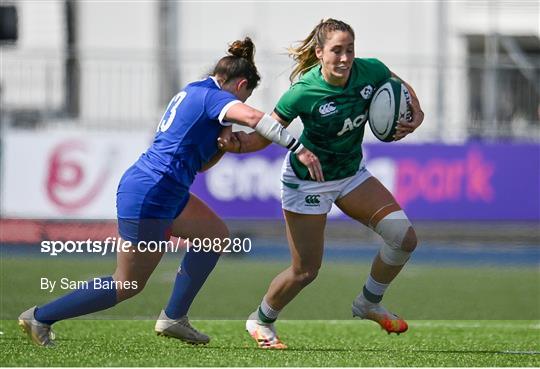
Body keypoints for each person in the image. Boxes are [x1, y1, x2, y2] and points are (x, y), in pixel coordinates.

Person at [18, 37, 323, 347]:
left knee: (215, 235)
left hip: (162, 187)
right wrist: (298, 148)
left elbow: (202, 165)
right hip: (153, 190)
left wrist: (225, 139)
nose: (242, 103)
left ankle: (174, 318)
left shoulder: (195, 89)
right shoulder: (213, 98)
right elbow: (257, 119)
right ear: (241, 85)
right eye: (245, 96)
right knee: (127, 283)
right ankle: (41, 316)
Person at [221, 19, 424, 349]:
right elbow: (265, 134)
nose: (345, 59)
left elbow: (399, 85)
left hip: (350, 174)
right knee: (305, 271)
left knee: (404, 238)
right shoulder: (304, 92)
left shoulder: (370, 71)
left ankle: (368, 303)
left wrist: (417, 113)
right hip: (307, 183)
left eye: (350, 50)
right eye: (337, 51)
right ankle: (261, 320)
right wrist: (237, 144)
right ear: (319, 53)